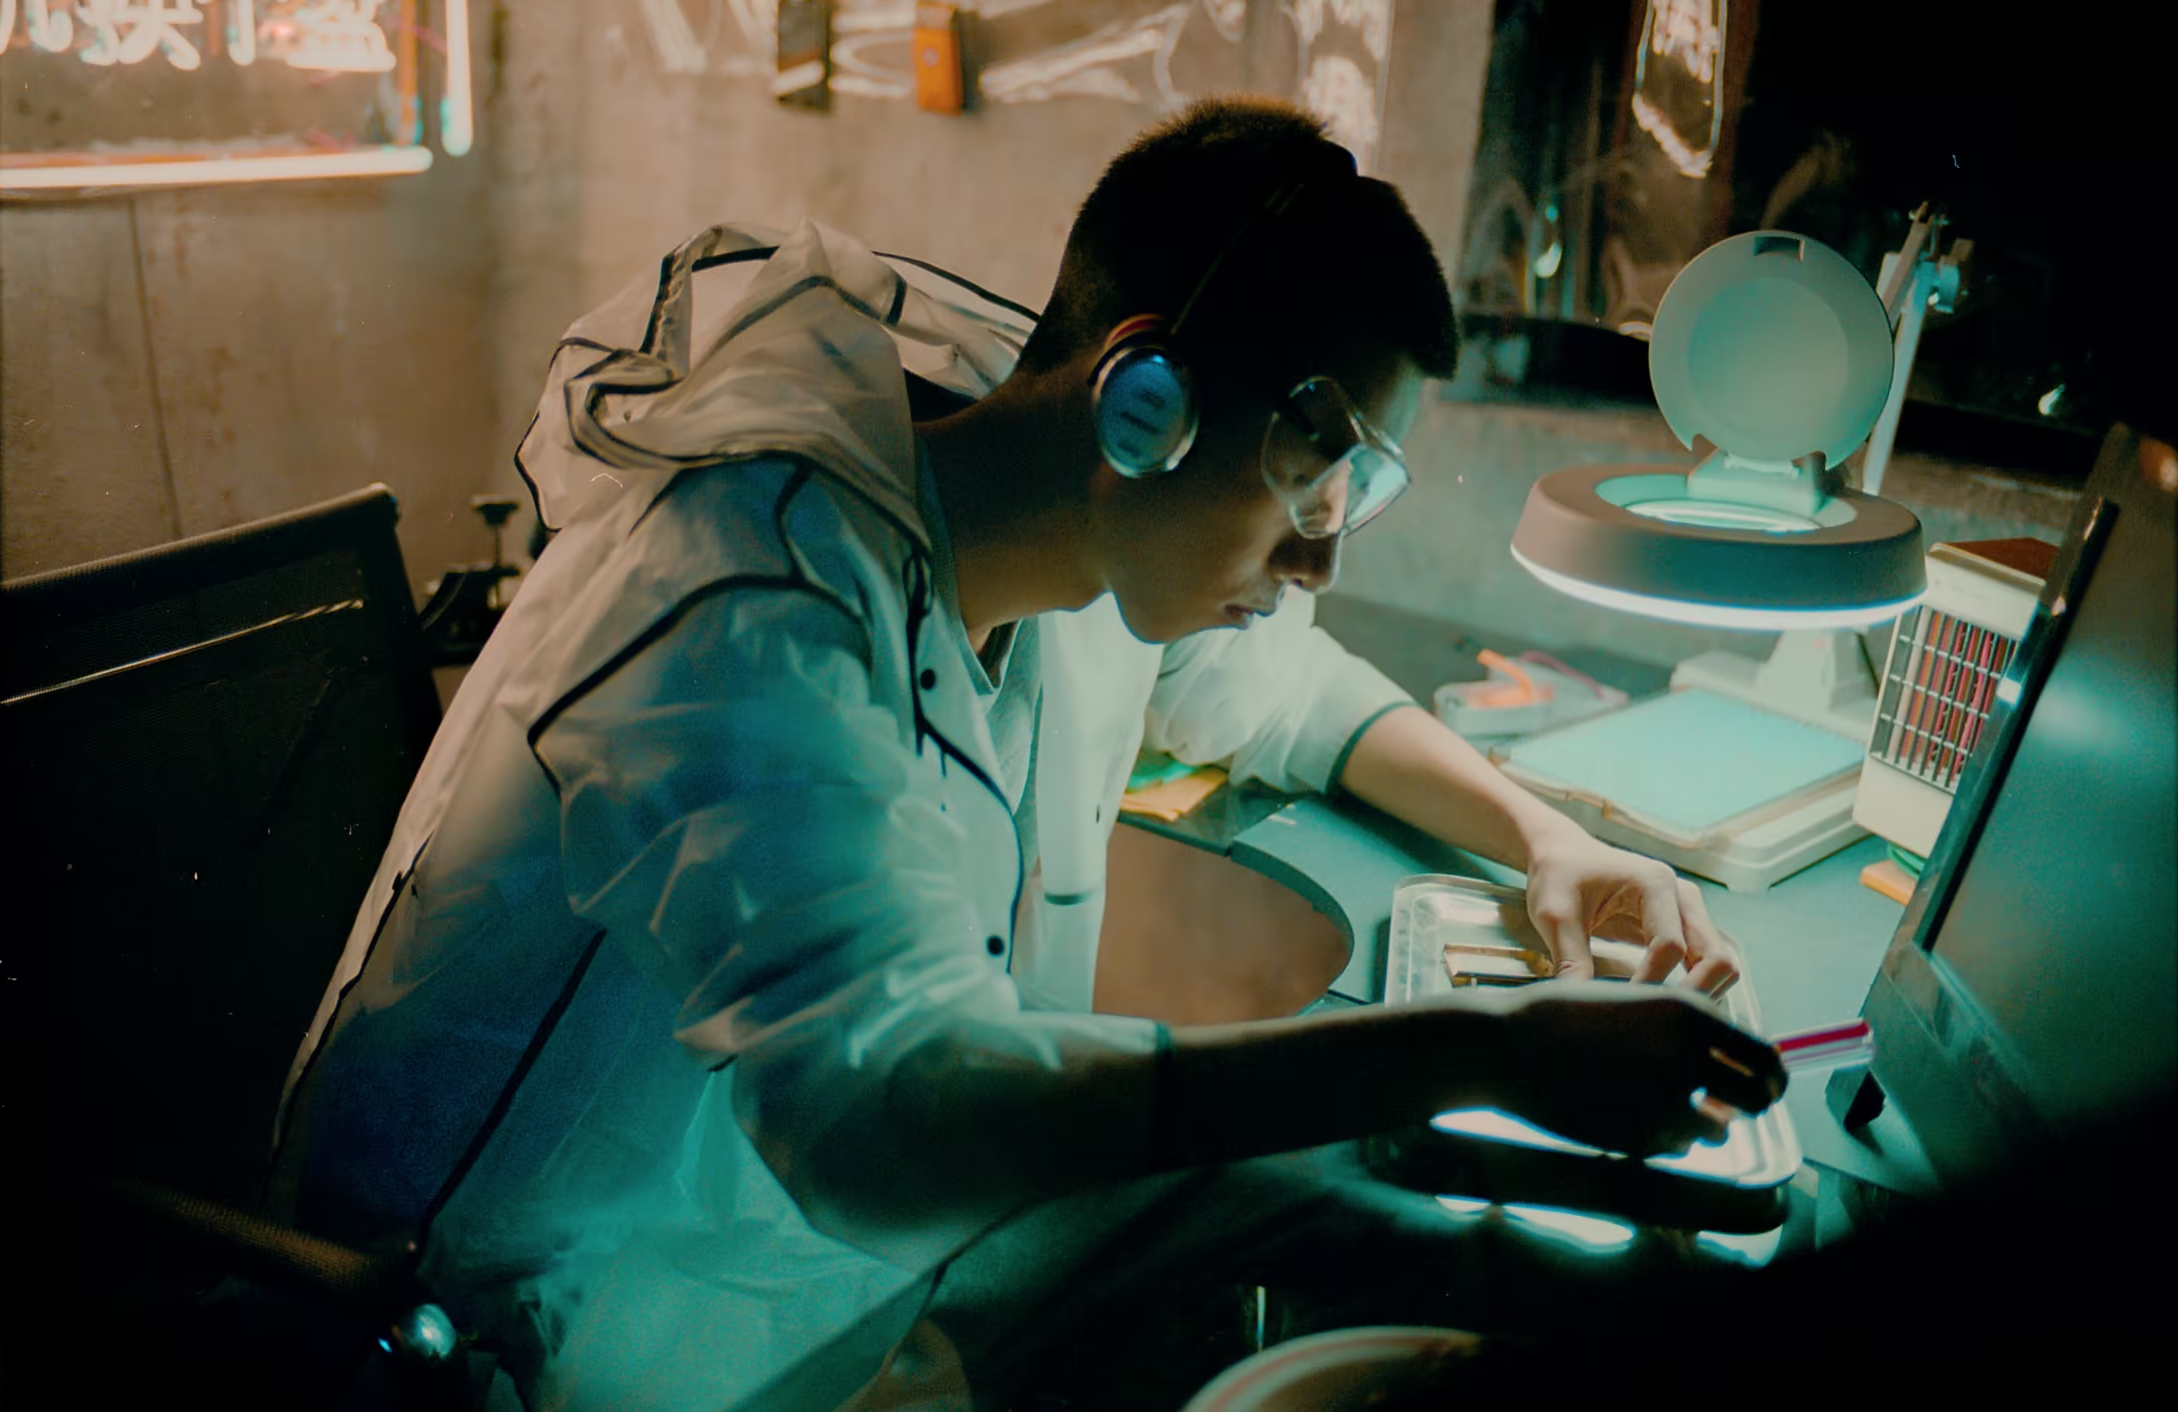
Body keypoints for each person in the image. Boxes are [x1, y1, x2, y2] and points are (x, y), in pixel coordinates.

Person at [269, 97, 1783, 1410]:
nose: (1321, 556)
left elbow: (1292, 696)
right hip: (520, 1328)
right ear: (1146, 399)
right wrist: (1481, 1048)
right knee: (1312, 1198)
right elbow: (886, 1125)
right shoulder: (738, 597)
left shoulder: (1061, 526)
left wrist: (1553, 844)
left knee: (1354, 1211)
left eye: (1356, 491)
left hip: (786, 1257)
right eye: (1314, 472)